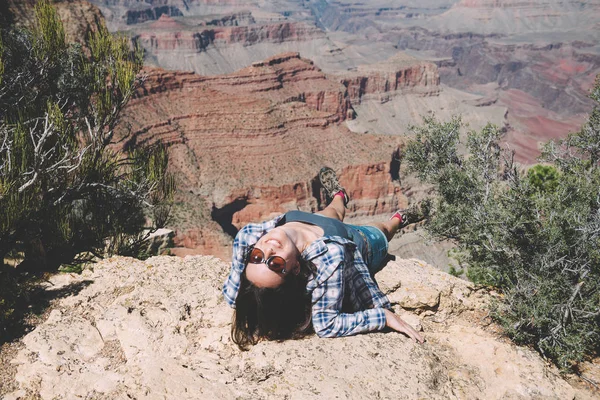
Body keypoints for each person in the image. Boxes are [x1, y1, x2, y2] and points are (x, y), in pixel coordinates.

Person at [223, 167, 424, 349]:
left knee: (334, 209)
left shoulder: (248, 239)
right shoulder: (328, 258)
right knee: (383, 230)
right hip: (357, 242)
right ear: (295, 269)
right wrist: (384, 317)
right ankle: (400, 218)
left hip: (313, 223)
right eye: (275, 264)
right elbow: (326, 325)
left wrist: (250, 307)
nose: (267, 251)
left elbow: (233, 295)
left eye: (257, 257)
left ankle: (339, 195)